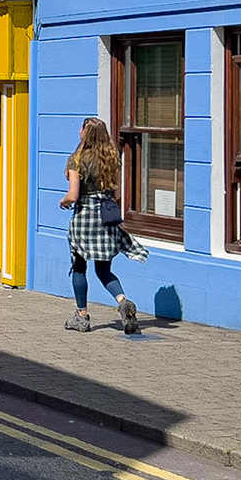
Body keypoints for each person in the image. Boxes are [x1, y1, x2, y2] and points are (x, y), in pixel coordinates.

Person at [59, 115, 147, 334]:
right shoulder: (111, 158)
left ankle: (82, 316)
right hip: (106, 218)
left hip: (84, 219)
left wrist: (63, 202)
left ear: (85, 134)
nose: (79, 131)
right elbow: (116, 193)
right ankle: (123, 301)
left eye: (82, 128)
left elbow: (73, 194)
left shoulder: (77, 160)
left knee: (79, 267)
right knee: (104, 268)